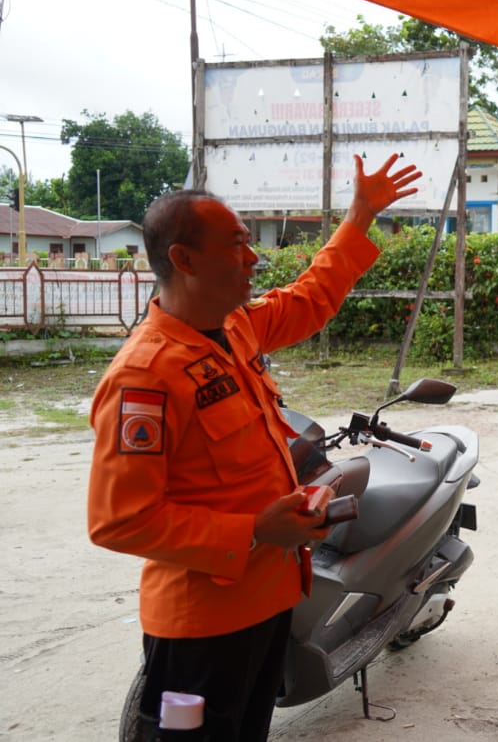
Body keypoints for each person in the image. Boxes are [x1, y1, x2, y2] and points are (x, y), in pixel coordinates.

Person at [87, 154, 421, 741]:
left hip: (268, 604)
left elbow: (311, 297)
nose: (254, 256)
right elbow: (119, 521)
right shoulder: (146, 375)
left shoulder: (233, 327)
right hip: (201, 628)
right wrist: (253, 530)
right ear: (183, 259)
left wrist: (361, 216)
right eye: (237, 244)